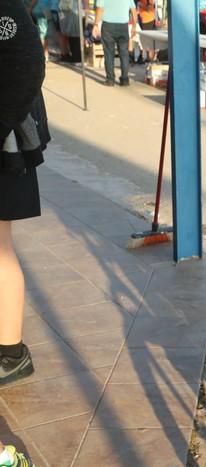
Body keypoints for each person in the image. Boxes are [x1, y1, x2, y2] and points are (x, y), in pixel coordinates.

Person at [1, 4, 48, 464]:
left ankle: (11, 351)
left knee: (0, 249)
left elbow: (27, 67)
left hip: (5, 148)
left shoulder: (8, 11)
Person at [92, 0, 138, 86]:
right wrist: (134, 26)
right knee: (124, 53)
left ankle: (110, 79)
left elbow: (100, 9)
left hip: (108, 26)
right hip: (123, 25)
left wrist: (96, 24)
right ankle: (124, 79)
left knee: (109, 53)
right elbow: (133, 10)